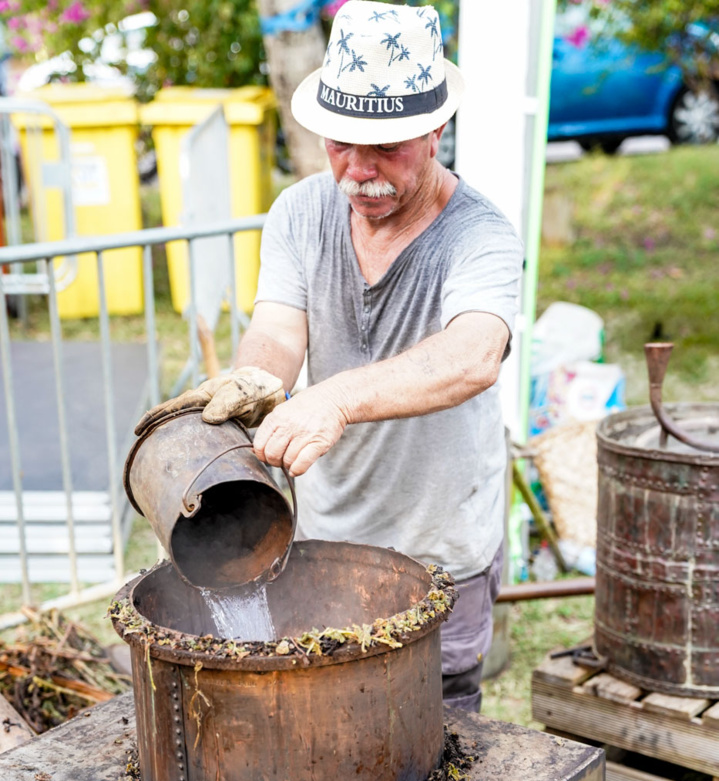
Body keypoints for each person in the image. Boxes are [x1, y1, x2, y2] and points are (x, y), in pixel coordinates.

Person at [136, 0, 523, 713]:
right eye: (341, 143)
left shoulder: (480, 236)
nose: (359, 169)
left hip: (440, 542)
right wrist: (258, 377)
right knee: (331, 719)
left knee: (438, 731)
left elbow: (473, 355)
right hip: (325, 537)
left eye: (387, 147)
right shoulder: (299, 212)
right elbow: (279, 332)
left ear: (436, 127)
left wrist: (335, 397)